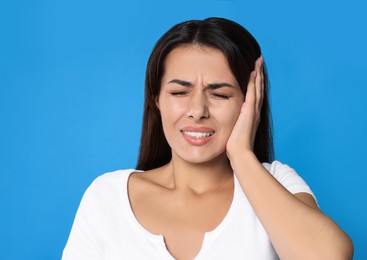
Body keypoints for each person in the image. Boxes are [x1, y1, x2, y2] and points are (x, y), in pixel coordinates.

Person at [62, 17, 353, 259]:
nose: (197, 111)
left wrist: (241, 155)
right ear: (156, 100)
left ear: (249, 102)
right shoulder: (107, 197)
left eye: (220, 94)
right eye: (179, 92)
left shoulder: (277, 183)